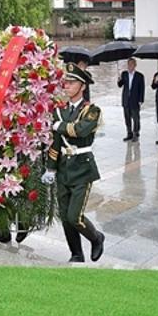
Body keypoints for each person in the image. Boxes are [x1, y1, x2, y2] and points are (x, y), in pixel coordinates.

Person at [42, 63, 105, 263]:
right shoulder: (61, 111)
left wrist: (60, 125)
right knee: (64, 216)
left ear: (83, 85)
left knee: (74, 216)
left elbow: (80, 130)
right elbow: (56, 141)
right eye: (65, 82)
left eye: (71, 82)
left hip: (82, 169)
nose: (66, 86)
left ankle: (96, 238)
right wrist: (50, 167)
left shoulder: (92, 110)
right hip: (63, 170)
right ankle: (76, 254)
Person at [117, 58, 145, 142]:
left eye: (132, 64)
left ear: (135, 65)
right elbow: (120, 85)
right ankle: (129, 133)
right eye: (129, 64)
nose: (130, 66)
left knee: (136, 118)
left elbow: (142, 89)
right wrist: (119, 80)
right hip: (126, 100)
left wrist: (141, 100)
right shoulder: (124, 74)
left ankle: (136, 133)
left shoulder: (140, 76)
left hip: (135, 100)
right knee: (127, 118)